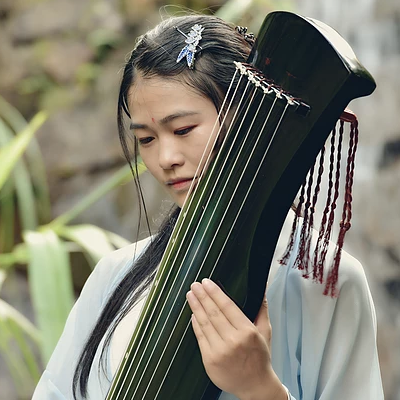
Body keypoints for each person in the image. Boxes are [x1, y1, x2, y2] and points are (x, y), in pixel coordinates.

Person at [32, 14, 384, 400]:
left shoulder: (327, 282)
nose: (165, 157)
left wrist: (258, 387)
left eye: (182, 130)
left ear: (249, 119)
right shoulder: (115, 275)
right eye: (146, 139)